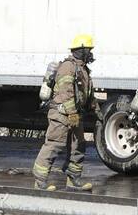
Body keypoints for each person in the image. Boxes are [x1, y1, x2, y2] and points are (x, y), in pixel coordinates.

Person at [32, 34, 98, 192]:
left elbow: (87, 93)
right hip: (61, 115)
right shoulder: (68, 67)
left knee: (78, 146)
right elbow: (66, 92)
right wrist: (72, 113)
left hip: (74, 115)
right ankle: (40, 180)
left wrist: (96, 109)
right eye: (88, 50)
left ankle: (73, 179)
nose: (91, 53)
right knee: (54, 145)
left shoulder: (83, 69)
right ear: (81, 50)